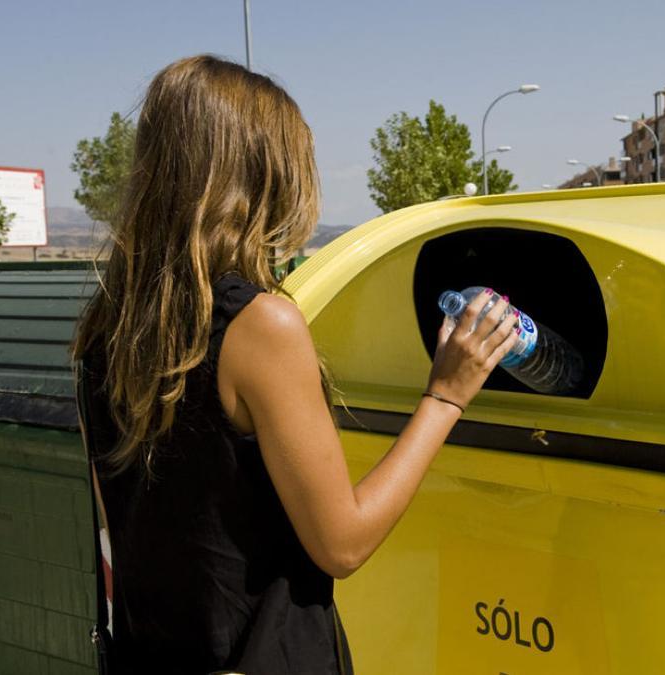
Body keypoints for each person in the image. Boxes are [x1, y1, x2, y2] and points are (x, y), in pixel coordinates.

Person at [71, 55, 519, 674]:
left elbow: (119, 532)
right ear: (266, 174)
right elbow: (343, 542)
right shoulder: (260, 326)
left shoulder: (105, 328)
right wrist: (446, 395)